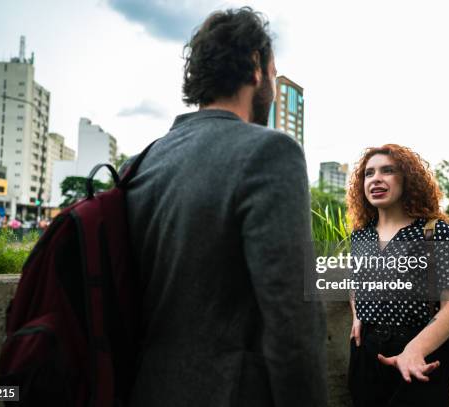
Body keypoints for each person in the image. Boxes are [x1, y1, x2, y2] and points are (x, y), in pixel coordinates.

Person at [125, 7, 327, 407]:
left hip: (146, 390)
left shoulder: (141, 163)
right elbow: (293, 323)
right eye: (273, 70)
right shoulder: (270, 152)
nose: (271, 80)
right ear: (256, 66)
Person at [346, 144, 449, 407]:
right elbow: (356, 285)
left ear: (408, 180)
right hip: (365, 352)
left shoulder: (436, 233)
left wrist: (414, 351)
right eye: (369, 173)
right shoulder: (360, 236)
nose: (376, 178)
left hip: (419, 349)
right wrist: (358, 315)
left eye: (388, 171)